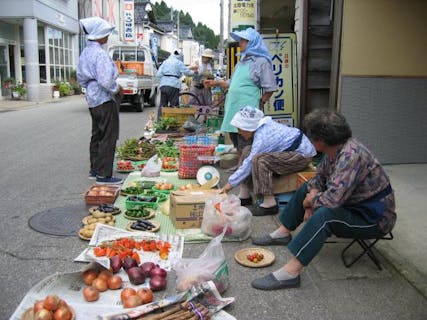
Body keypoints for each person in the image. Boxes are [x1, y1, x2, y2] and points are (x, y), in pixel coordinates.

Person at [250, 109, 397, 290]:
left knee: (326, 216)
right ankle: (283, 232)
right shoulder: (336, 149)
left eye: (311, 137)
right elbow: (318, 179)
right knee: (307, 188)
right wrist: (310, 201)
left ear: (321, 141)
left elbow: (333, 200)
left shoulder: (351, 156)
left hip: (374, 218)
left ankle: (291, 273)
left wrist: (311, 202)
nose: (309, 140)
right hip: (354, 205)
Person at [220, 106, 316, 216]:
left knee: (259, 160)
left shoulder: (263, 137)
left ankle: (269, 204)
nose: (239, 132)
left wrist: (228, 185)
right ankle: (244, 195)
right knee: (247, 150)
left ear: (248, 127)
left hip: (301, 156)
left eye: (240, 129)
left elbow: (248, 165)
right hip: (290, 150)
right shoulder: (261, 127)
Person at [205, 28, 276, 165]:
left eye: (243, 41)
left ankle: (247, 171)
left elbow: (270, 87)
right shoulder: (241, 61)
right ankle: (240, 166)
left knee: (247, 141)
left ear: (253, 43)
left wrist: (261, 102)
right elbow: (232, 82)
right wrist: (216, 82)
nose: (240, 43)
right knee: (235, 137)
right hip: (233, 106)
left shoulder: (261, 62)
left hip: (248, 107)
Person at [77, 17, 123, 185]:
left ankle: (95, 169)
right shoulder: (100, 54)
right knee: (108, 135)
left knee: (97, 134)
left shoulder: (85, 52)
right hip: (104, 98)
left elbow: (81, 78)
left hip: (92, 97)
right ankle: (104, 175)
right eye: (106, 34)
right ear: (98, 35)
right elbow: (106, 81)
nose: (107, 36)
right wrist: (117, 89)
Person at [156, 50, 197, 118]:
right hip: (174, 85)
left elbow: (158, 74)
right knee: (174, 106)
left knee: (162, 105)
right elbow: (187, 72)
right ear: (179, 56)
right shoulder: (178, 62)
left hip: (163, 85)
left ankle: (160, 122)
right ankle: (173, 123)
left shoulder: (165, 62)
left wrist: (163, 81)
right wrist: (195, 73)